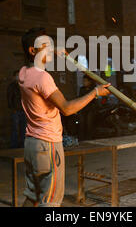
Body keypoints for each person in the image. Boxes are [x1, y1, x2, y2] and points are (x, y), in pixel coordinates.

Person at [18, 27, 111, 207]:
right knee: (50, 201)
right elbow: (67, 109)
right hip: (48, 144)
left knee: (33, 196)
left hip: (31, 144)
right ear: (33, 50)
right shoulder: (43, 78)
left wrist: (54, 51)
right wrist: (95, 93)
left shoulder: (23, 73)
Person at [7, 70, 27, 148]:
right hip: (16, 111)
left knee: (23, 129)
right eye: (17, 75)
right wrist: (13, 108)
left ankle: (22, 145)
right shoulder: (12, 86)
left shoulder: (23, 85)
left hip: (23, 110)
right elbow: (9, 98)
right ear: (14, 77)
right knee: (15, 129)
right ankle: (14, 146)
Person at [78, 75, 97, 141]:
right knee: (81, 124)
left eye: (85, 81)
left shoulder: (94, 89)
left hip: (91, 109)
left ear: (90, 82)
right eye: (83, 81)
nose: (84, 82)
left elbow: (95, 100)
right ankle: (82, 139)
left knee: (89, 124)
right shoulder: (82, 89)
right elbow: (79, 98)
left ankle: (89, 138)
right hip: (82, 109)